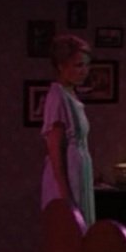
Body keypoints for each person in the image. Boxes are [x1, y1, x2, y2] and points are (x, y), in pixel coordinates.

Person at [40, 34, 96, 225]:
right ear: (61, 66)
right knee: (70, 229)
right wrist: (65, 195)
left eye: (86, 65)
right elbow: (54, 149)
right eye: (78, 65)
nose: (84, 71)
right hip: (67, 177)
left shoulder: (70, 94)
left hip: (78, 172)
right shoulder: (57, 97)